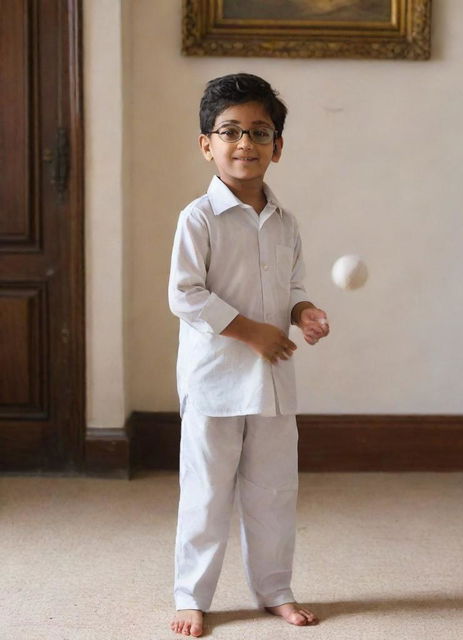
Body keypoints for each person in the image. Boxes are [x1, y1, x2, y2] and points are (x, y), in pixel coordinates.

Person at [167, 73, 329, 637]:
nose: (245, 144)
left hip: (273, 384)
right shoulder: (199, 218)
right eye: (230, 131)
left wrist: (302, 313)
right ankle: (193, 595)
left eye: (260, 133)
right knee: (207, 494)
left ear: (278, 146)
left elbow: (292, 288)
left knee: (274, 493)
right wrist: (253, 332)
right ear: (206, 143)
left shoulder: (288, 223)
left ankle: (275, 589)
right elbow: (184, 295)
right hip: (214, 382)